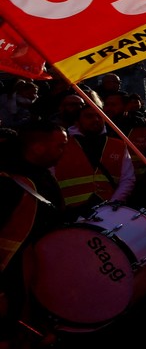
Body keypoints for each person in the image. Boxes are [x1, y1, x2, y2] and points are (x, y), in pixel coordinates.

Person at [0, 120, 66, 346]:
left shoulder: (42, 175)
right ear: (37, 147)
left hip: (33, 271)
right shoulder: (9, 182)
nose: (64, 151)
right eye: (60, 145)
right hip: (10, 277)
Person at [53, 103, 135, 217]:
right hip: (72, 214)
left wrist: (113, 203)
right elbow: (50, 178)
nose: (96, 119)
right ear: (77, 121)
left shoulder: (119, 145)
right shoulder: (62, 144)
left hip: (110, 213)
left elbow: (127, 179)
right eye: (89, 116)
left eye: (99, 116)